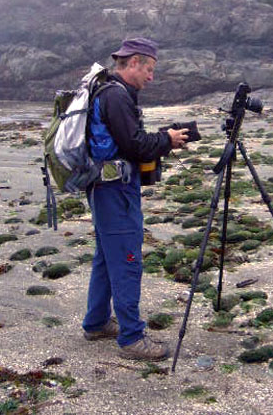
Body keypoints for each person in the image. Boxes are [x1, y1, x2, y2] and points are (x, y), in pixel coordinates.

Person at [82, 37, 189, 361]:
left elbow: (129, 141)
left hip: (105, 188)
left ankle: (97, 322)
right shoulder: (115, 96)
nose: (152, 77)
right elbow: (136, 145)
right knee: (128, 259)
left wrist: (159, 140)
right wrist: (166, 139)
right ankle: (131, 338)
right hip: (114, 191)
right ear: (132, 63)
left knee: (106, 257)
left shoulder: (111, 92)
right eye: (149, 69)